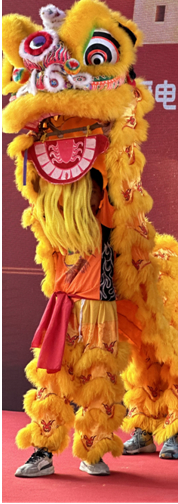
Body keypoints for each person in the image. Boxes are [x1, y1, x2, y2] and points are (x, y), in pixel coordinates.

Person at [15, 168, 128, 478]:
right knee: (53, 381)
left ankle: (92, 451)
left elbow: (127, 199)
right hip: (65, 311)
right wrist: (36, 157)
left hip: (101, 314)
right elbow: (36, 198)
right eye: (81, 190)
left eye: (94, 191)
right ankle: (43, 452)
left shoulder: (112, 227)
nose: (88, 196)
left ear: (101, 196)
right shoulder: (57, 226)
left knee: (99, 383)